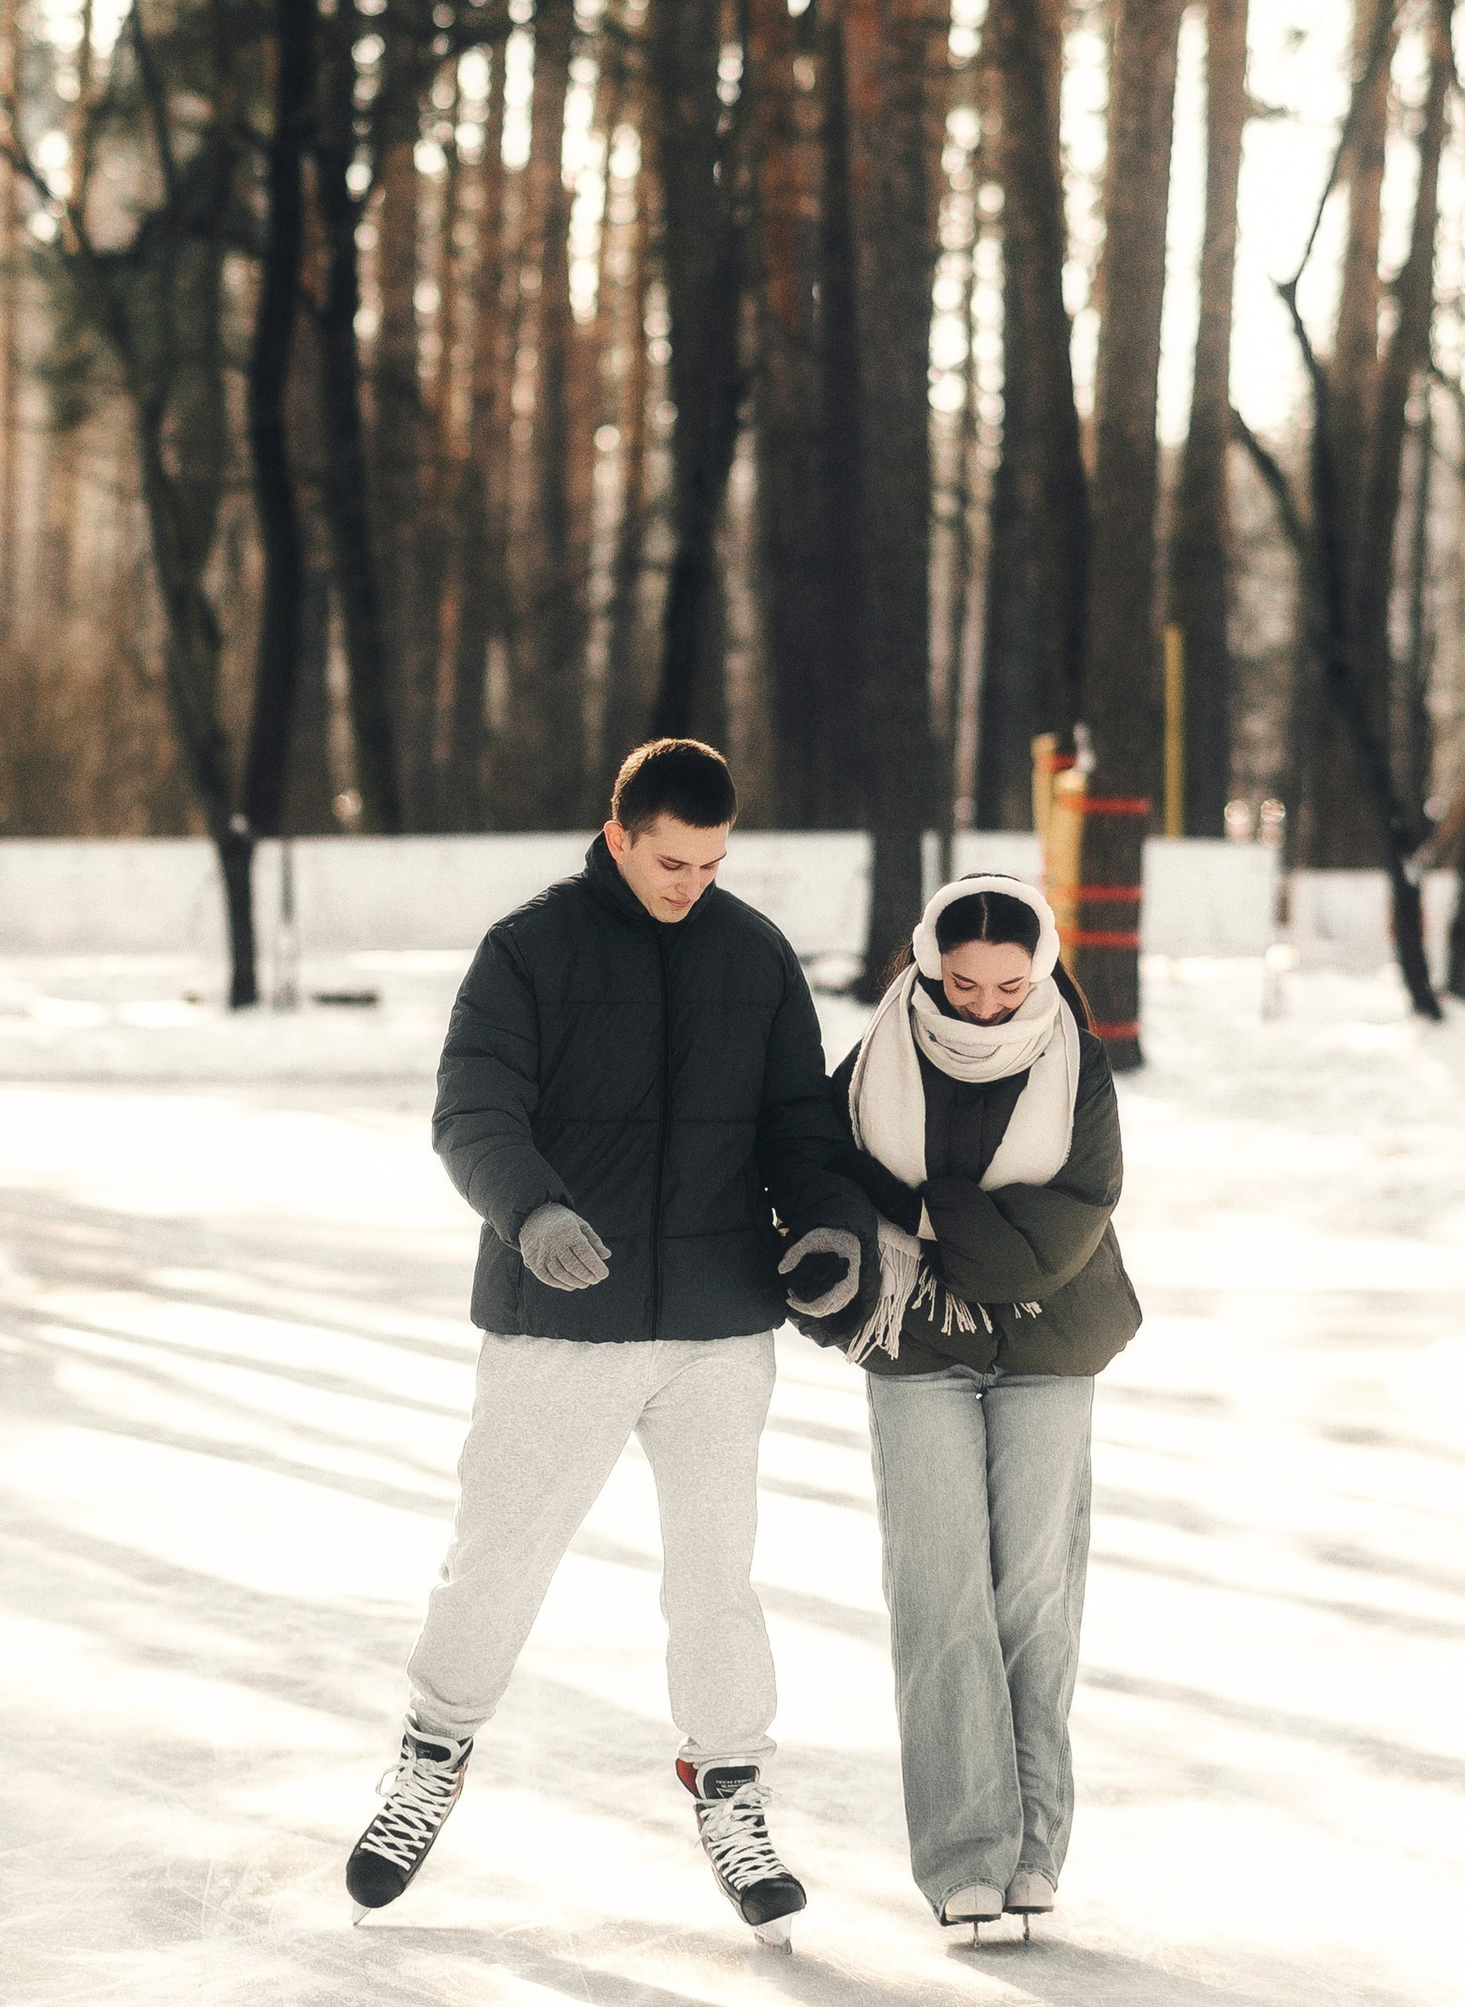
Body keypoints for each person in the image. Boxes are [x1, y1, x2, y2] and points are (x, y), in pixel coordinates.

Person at [344, 737, 875, 1945]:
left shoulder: (753, 956)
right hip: (560, 1320)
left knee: (716, 1576)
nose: (693, 883)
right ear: (619, 835)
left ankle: (731, 1788)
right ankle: (431, 1756)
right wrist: (530, 1210)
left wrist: (829, 1225)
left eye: (713, 863)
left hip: (717, 1324)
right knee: (498, 1559)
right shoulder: (530, 949)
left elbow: (798, 1126)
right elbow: (472, 1106)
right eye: (672, 861)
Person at [781, 877, 1139, 1939]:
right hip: (916, 1343)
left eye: (1009, 987)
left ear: (1043, 971)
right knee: (940, 1595)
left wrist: (919, 1210)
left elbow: (1061, 1234)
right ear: (930, 965)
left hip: (1049, 1344)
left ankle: (1032, 1852)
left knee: (1031, 1596)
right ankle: (964, 1855)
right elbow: (820, 1172)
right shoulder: (879, 1057)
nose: (984, 1006)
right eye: (964, 984)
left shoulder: (1077, 1064)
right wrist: (882, 1226)